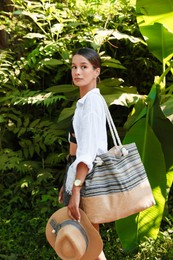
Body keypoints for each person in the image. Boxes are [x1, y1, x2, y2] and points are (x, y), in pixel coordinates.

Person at [59, 47, 108, 260]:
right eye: (74, 67)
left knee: (88, 245)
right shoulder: (84, 103)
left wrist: (76, 191)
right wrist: (67, 184)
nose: (77, 72)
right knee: (89, 245)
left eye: (84, 67)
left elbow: (87, 152)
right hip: (80, 179)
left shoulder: (91, 103)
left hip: (87, 182)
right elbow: (76, 150)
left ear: (96, 72)